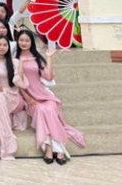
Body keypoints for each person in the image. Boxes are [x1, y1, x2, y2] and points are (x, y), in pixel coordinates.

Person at [16, 30, 85, 165]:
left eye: (27, 40)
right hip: (29, 98)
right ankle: (50, 148)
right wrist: (27, 97)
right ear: (18, 41)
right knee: (41, 111)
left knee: (49, 109)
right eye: (21, 40)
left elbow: (48, 77)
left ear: (31, 42)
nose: (24, 43)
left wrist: (49, 58)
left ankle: (57, 150)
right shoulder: (15, 59)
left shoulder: (37, 58)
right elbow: (17, 82)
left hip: (45, 96)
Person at [0, 35, 28, 160]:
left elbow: (20, 82)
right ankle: (0, 129)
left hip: (12, 95)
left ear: (8, 47)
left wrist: (21, 64)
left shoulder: (14, 62)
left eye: (5, 45)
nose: (2, 47)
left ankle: (4, 135)